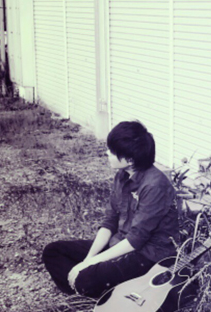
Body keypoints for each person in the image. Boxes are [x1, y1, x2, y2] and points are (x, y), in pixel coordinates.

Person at [43, 121, 180, 299]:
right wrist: (88, 259)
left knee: (86, 278)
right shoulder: (121, 176)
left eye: (112, 151)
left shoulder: (155, 185)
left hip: (147, 256)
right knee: (53, 251)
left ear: (130, 160)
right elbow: (110, 221)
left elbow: (135, 240)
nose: (107, 153)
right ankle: (89, 292)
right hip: (119, 244)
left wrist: (89, 265)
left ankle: (97, 291)